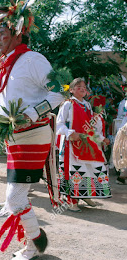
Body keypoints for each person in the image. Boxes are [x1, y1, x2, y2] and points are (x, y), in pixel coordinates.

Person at [0, 1, 64, 260]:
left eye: (2, 33)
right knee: (16, 193)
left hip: (34, 134)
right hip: (16, 138)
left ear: (18, 32)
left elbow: (59, 90)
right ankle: (33, 240)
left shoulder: (32, 59)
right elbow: (10, 108)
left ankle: (35, 240)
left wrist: (31, 114)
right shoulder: (9, 65)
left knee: (14, 196)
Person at [56, 78, 111, 212]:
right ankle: (71, 201)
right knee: (74, 171)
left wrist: (102, 138)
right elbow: (59, 124)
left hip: (88, 144)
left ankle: (85, 194)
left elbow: (90, 127)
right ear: (72, 90)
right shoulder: (68, 104)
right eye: (78, 86)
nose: (82, 88)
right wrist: (70, 133)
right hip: (72, 144)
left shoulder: (87, 105)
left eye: (84, 86)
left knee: (92, 168)